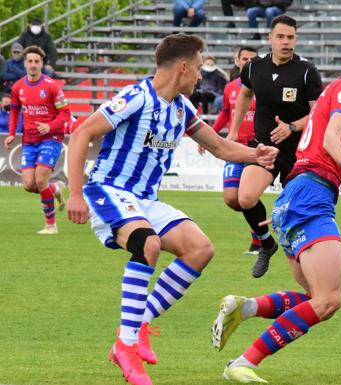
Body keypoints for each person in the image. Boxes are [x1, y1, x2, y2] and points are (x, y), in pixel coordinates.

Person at [65, 34, 278, 385]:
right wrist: (74, 193)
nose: (199, 77)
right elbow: (82, 133)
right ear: (182, 68)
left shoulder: (181, 108)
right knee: (147, 245)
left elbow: (221, 147)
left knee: (200, 249)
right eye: (197, 69)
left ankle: (138, 323)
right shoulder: (136, 97)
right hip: (109, 190)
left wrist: (256, 154)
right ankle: (127, 346)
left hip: (145, 199)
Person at [210, 31, 341, 384]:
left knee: (318, 300)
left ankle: (248, 307)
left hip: (296, 197)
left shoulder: (338, 90)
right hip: (310, 196)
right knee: (328, 300)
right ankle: (242, 364)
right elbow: (332, 137)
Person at [228, 15, 323, 278]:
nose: (286, 42)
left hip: (298, 152)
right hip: (264, 147)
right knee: (244, 198)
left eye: (290, 37)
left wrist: (291, 126)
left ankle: (306, 258)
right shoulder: (253, 68)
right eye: (280, 37)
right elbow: (245, 94)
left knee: (298, 213)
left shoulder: (306, 71)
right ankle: (266, 244)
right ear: (270, 38)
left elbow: (318, 114)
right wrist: (234, 130)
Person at [199, 46, 261, 256]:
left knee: (246, 196)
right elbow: (226, 113)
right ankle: (260, 226)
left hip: (256, 147)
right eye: (245, 59)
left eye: (253, 59)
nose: (248, 62)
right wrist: (209, 135)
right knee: (231, 199)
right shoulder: (230, 88)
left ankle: (259, 239)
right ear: (237, 61)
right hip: (234, 148)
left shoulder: (265, 87)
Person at [3, 46, 70, 234]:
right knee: (29, 185)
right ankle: (55, 189)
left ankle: (51, 225)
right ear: (24, 63)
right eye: (30, 61)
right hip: (29, 140)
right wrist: (11, 133)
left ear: (42, 63)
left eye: (36, 61)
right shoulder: (18, 87)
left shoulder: (51, 86)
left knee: (40, 181)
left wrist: (50, 126)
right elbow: (15, 111)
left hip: (51, 138)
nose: (33, 65)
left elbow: (65, 114)